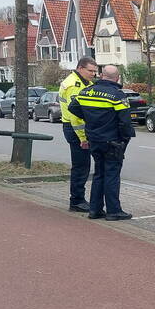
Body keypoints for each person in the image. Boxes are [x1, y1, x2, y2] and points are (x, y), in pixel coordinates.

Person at [68, 65, 134, 221]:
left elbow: (73, 107)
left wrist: (90, 120)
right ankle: (113, 211)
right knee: (112, 175)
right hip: (112, 140)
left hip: (93, 138)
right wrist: (124, 140)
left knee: (99, 173)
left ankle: (95, 209)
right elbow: (125, 122)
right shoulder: (117, 95)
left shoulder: (86, 91)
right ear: (117, 78)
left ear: (102, 75)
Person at [58, 56, 97, 212]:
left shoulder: (84, 82)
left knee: (83, 165)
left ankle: (78, 199)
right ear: (80, 68)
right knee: (81, 166)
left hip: (76, 128)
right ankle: (76, 201)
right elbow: (75, 115)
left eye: (95, 71)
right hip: (75, 129)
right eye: (90, 71)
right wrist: (83, 138)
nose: (93, 74)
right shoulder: (73, 85)